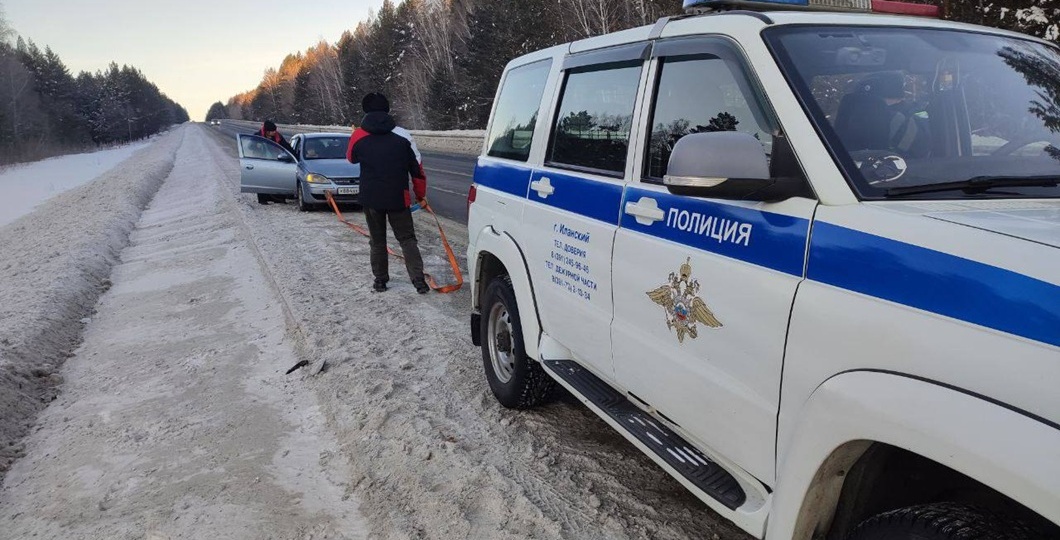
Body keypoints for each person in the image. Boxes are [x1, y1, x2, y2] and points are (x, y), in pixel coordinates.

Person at [346, 92, 430, 294]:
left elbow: (351, 158)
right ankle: (419, 281)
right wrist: (420, 195)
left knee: (377, 240)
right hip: (398, 197)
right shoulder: (403, 135)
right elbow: (417, 169)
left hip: (371, 197)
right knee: (407, 239)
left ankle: (380, 281)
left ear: (365, 109)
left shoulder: (358, 135)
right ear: (388, 109)